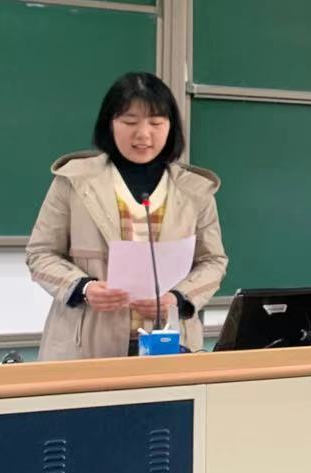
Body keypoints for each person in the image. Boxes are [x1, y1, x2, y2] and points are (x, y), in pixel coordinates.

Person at [26, 72, 227, 360]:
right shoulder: (75, 180)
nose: (143, 134)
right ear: (109, 124)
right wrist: (84, 288)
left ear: (171, 126)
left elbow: (213, 260)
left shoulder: (194, 189)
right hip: (86, 346)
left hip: (169, 343)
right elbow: (41, 253)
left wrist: (178, 298)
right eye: (130, 122)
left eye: (156, 123)